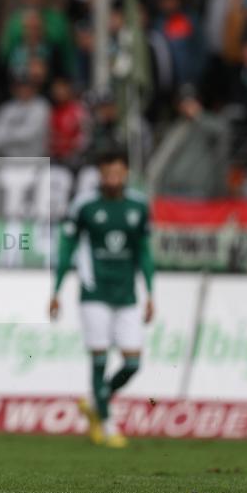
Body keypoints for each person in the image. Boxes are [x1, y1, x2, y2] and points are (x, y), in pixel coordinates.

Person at [49, 150, 154, 448]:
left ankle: (96, 401)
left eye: (118, 173)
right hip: (94, 293)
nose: (113, 179)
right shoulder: (85, 205)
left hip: (127, 295)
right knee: (99, 358)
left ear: (126, 174)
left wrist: (150, 294)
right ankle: (107, 425)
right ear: (100, 174)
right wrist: (56, 290)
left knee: (133, 363)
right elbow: (67, 247)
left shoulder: (138, 205)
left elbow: (145, 252)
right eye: (108, 173)